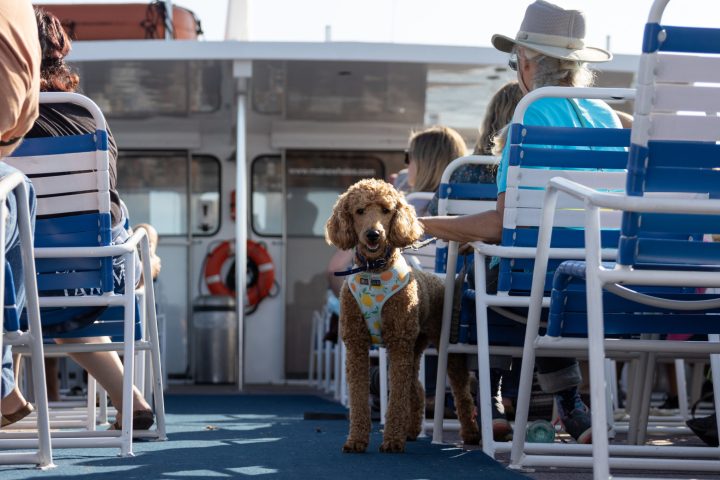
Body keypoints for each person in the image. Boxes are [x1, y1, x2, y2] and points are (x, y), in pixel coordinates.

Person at [419, 0, 621, 444]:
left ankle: (485, 396)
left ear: (528, 63)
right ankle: (571, 406)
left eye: (516, 60)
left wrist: (426, 225)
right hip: (600, 282)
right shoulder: (607, 119)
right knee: (549, 276)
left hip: (533, 282)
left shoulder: (525, 121)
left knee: (479, 273)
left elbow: (501, 224)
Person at [18, 8, 154, 430]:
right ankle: (145, 254)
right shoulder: (87, 116)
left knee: (29, 281)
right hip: (96, 275)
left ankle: (145, 252)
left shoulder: (11, 121)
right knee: (67, 294)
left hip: (27, 278)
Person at [0, 0, 41, 427]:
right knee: (18, 191)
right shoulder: (17, 13)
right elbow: (17, 117)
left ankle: (6, 387)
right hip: (81, 288)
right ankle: (4, 384)